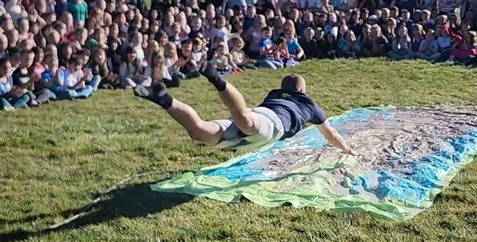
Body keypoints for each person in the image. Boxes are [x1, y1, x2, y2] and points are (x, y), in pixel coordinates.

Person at [134, 66, 355, 154]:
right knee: (246, 121)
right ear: (303, 91)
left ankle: (165, 99)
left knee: (199, 132)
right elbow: (331, 134)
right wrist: (347, 150)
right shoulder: (308, 103)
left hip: (260, 115)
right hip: (271, 125)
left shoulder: (274, 93)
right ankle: (217, 79)